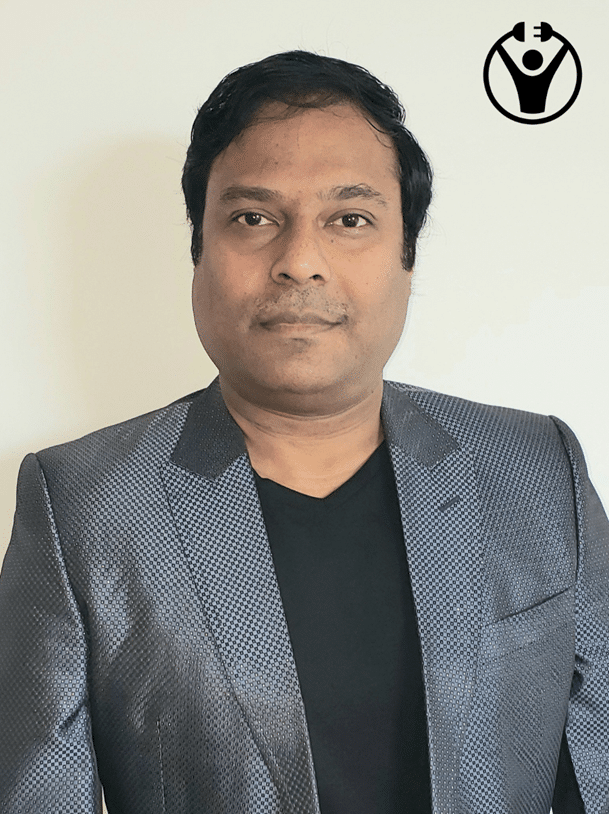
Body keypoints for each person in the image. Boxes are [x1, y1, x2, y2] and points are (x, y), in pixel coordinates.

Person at [0, 50, 607, 814]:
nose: (298, 261)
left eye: (348, 220)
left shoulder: (536, 472)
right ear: (198, 253)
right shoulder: (82, 505)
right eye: (252, 218)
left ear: (406, 256)